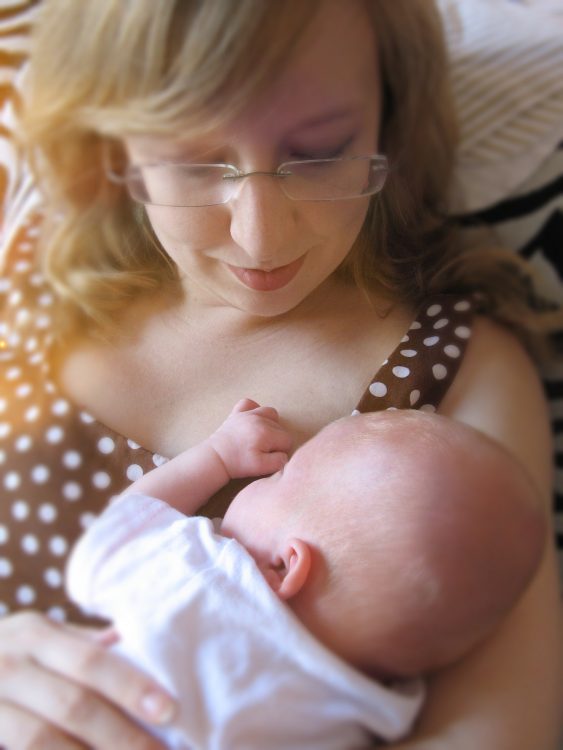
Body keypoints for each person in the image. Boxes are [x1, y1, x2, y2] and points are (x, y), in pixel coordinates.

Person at [0, 1, 561, 748]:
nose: (259, 236)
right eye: (195, 160)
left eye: (321, 151)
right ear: (116, 140)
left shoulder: (455, 372)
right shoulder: (28, 268)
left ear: (386, 119)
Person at [66, 401, 546, 749]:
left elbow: (108, 545)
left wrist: (214, 458)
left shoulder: (206, 579)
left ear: (284, 565)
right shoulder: (362, 716)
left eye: (279, 478)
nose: (261, 478)